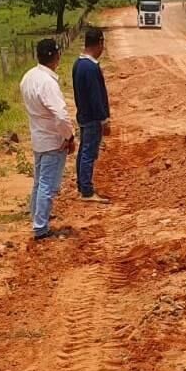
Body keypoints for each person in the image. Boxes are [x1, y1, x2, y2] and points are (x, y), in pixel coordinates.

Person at [20, 39, 76, 241]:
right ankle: (41, 227)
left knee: (38, 182)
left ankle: (36, 217)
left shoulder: (28, 77)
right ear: (56, 56)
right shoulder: (47, 82)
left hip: (38, 136)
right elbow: (60, 115)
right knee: (47, 185)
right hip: (53, 139)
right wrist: (69, 136)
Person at [72, 27, 112, 203]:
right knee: (89, 152)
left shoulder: (78, 64)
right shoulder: (91, 67)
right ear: (100, 43)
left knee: (83, 151)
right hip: (92, 118)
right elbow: (96, 97)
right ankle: (87, 191)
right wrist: (104, 119)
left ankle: (82, 185)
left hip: (83, 114)